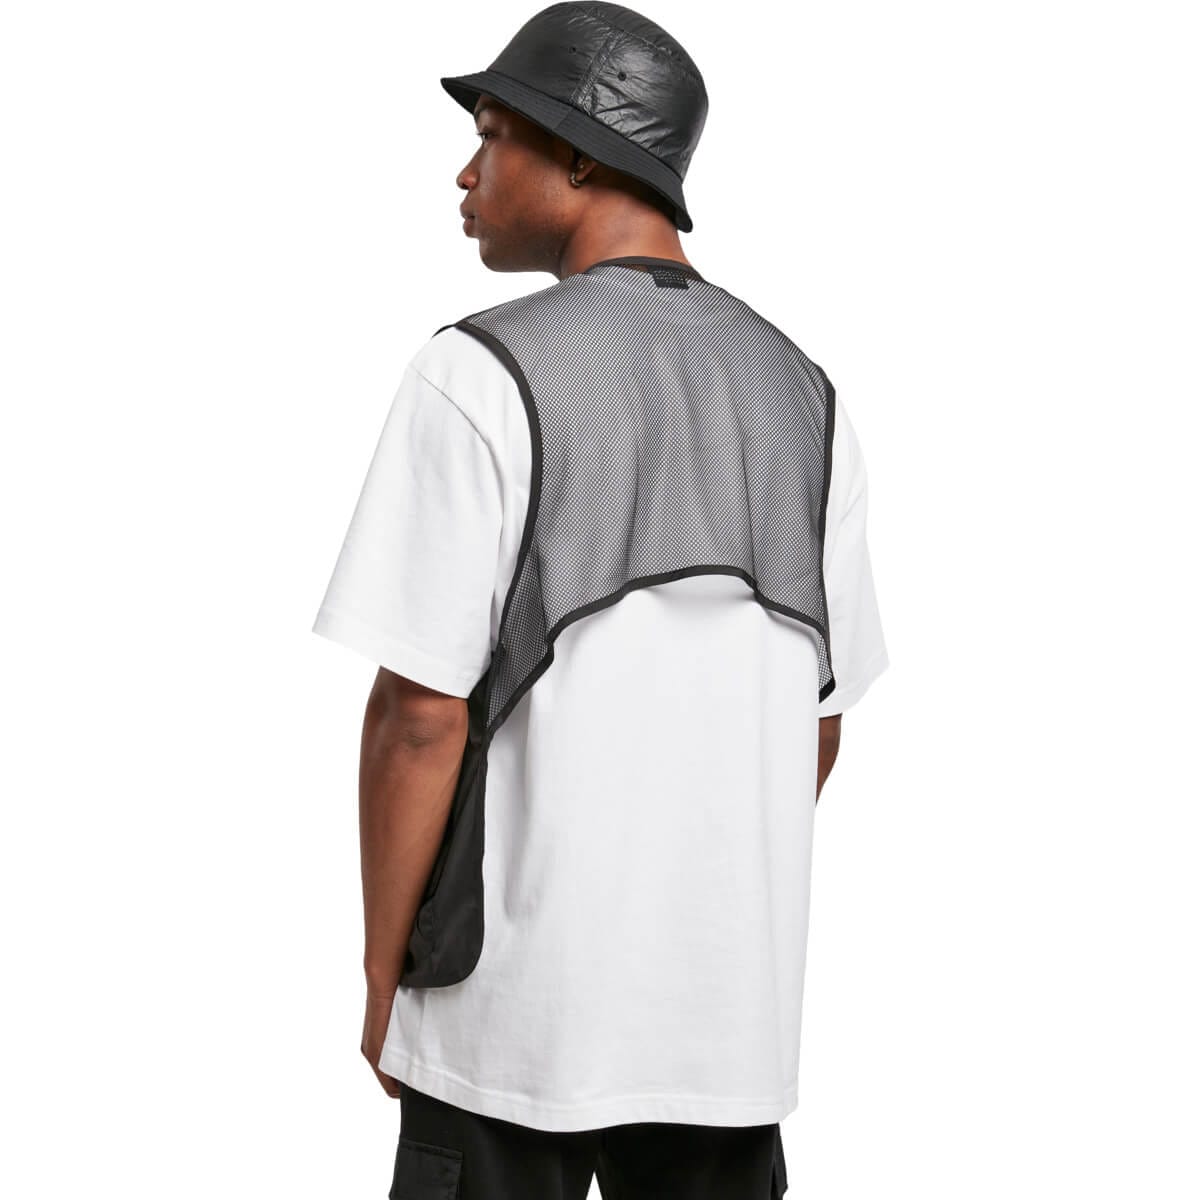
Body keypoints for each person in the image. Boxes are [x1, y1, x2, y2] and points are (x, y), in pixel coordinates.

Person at [312, 4, 888, 1196]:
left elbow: (418, 720)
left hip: (503, 1028)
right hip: (729, 1035)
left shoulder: (477, 372)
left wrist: (378, 972)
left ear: (580, 154)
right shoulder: (805, 395)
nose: (466, 173)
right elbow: (819, 726)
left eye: (491, 133)